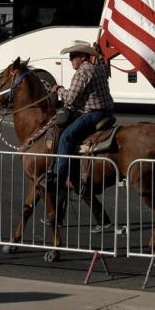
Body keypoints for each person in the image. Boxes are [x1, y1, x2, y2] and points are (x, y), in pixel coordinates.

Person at [49, 40, 114, 230]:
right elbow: (102, 65)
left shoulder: (83, 72)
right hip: (107, 111)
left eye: (73, 56)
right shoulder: (98, 67)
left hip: (93, 113)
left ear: (83, 57)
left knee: (67, 136)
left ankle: (60, 175)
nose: (70, 60)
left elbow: (70, 99)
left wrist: (58, 89)